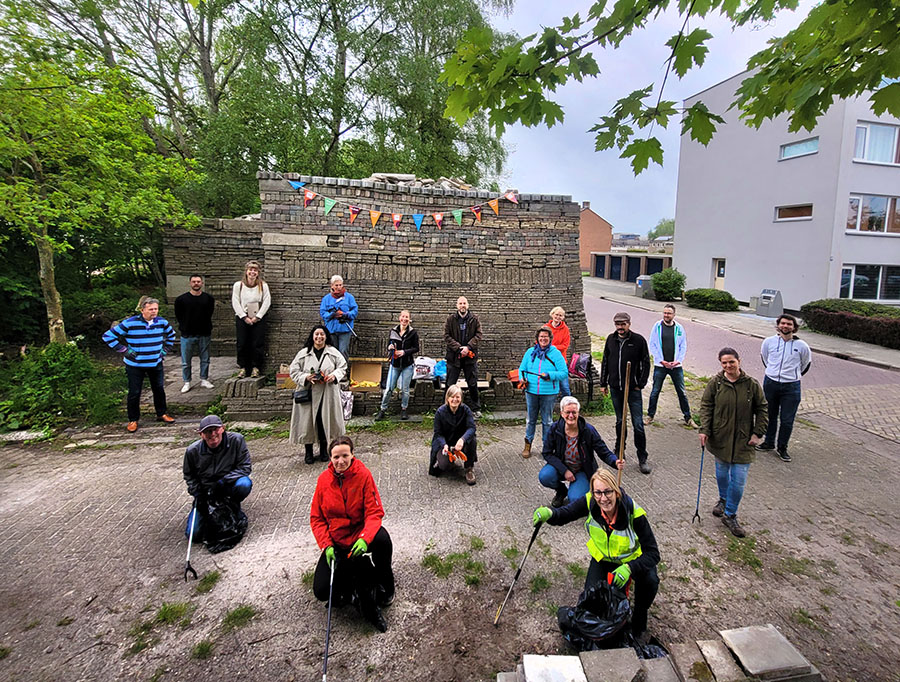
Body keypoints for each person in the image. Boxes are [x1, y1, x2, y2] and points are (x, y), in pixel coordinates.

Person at [533, 469, 660, 642]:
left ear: (616, 491)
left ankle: (640, 617)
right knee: (594, 604)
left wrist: (629, 568)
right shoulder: (590, 502)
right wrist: (550, 514)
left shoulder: (634, 513)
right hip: (604, 560)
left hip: (632, 561)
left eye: (608, 492)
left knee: (650, 581)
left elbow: (653, 553)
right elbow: (566, 514)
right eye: (598, 492)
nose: (603, 498)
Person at [310, 436, 395, 633]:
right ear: (330, 458)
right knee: (322, 590)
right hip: (337, 541)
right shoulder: (323, 481)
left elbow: (374, 512)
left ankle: (385, 583)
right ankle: (352, 591)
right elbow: (317, 518)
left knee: (382, 540)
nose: (341, 461)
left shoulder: (363, 475)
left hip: (359, 535)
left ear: (352, 455)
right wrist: (326, 546)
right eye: (336, 457)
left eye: (345, 456)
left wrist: (365, 538)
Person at [699, 347, 768, 538]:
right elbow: (706, 406)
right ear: (721, 364)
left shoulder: (751, 385)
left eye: (732, 362)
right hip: (720, 437)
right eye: (724, 363)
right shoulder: (716, 383)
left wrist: (757, 433)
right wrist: (704, 429)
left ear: (739, 361)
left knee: (738, 481)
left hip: (743, 440)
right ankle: (722, 499)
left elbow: (762, 409)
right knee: (722, 475)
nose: (728, 366)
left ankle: (730, 514)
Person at [102, 297, 176, 433]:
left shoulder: (162, 322)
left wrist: (164, 351)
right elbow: (108, 336)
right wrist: (124, 350)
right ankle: (133, 420)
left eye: (156, 309)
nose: (154, 312)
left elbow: (171, 335)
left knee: (159, 389)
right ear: (142, 310)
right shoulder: (130, 323)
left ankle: (162, 413)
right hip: (135, 364)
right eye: (151, 309)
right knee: (135, 392)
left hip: (155, 363)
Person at [540, 396, 624, 507]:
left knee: (575, 499)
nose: (571, 416)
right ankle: (561, 491)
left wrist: (615, 461)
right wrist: (564, 470)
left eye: (574, 412)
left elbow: (603, 452)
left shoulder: (588, 430)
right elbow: (547, 453)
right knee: (545, 476)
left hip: (582, 470)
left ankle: (582, 488)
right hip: (561, 467)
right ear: (561, 413)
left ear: (578, 413)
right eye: (567, 412)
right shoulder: (555, 429)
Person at [183, 415, 253, 548]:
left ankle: (233, 505)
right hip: (206, 492)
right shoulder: (192, 451)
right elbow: (189, 476)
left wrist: (222, 482)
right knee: (193, 534)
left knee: (244, 484)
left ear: (223, 429)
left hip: (228, 485)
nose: (212, 434)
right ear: (201, 434)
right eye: (207, 431)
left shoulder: (236, 440)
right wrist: (197, 492)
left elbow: (245, 468)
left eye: (215, 429)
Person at [599, 312, 652, 474]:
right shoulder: (611, 339)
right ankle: (619, 450)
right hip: (616, 388)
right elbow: (605, 361)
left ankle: (642, 457)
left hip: (633, 390)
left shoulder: (638, 340)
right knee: (620, 421)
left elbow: (646, 362)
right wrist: (603, 383)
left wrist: (640, 383)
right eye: (617, 324)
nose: (620, 328)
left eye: (623, 324)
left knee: (638, 424)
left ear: (629, 324)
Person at [289, 325, 347, 464]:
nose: (319, 337)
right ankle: (308, 452)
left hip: (327, 394)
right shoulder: (303, 353)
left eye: (322, 334)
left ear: (326, 336)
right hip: (308, 394)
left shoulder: (333, 352)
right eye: (317, 334)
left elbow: (342, 366)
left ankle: (323, 450)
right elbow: (293, 371)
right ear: (312, 337)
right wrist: (306, 377)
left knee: (323, 422)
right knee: (307, 423)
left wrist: (334, 375)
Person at [757, 314, 811, 462]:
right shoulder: (769, 342)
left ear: (794, 327)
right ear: (778, 325)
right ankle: (768, 442)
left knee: (787, 419)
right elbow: (765, 358)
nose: (785, 326)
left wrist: (792, 376)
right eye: (783, 323)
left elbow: (805, 365)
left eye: (789, 324)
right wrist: (773, 372)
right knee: (770, 415)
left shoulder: (802, 346)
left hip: (791, 386)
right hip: (771, 383)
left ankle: (782, 447)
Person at [519, 327, 568, 459]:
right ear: (537, 339)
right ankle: (527, 445)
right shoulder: (530, 352)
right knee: (530, 420)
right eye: (541, 337)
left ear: (550, 339)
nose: (543, 339)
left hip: (549, 392)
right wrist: (522, 379)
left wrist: (550, 375)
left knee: (547, 421)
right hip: (531, 391)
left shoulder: (556, 353)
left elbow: (564, 373)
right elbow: (522, 369)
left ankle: (547, 448)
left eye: (546, 337)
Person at [645, 304, 695, 428]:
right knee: (655, 391)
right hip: (660, 365)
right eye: (665, 313)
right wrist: (661, 360)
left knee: (681, 392)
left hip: (676, 366)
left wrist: (678, 360)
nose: (666, 315)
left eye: (669, 313)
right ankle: (650, 416)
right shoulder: (657, 326)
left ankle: (688, 417)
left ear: (674, 315)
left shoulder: (679, 328)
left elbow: (683, 345)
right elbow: (652, 344)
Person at [374, 310, 419, 421]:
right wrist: (390, 347)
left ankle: (404, 409)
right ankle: (383, 409)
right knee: (389, 388)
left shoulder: (413, 333)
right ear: (399, 318)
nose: (404, 319)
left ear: (409, 319)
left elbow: (416, 348)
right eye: (403, 317)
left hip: (407, 364)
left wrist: (404, 352)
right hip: (394, 364)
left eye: (407, 317)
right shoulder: (393, 331)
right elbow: (389, 343)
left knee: (405, 389)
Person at [174, 274, 216, 393]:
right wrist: (184, 327)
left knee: (205, 358)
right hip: (187, 334)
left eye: (198, 281)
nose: (196, 283)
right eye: (194, 281)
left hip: (204, 333)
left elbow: (209, 313)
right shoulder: (181, 299)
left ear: (202, 283)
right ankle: (187, 381)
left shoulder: (208, 298)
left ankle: (204, 379)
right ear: (190, 283)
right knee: (186, 361)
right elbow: (178, 315)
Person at [429, 385, 477, 485]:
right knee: (444, 466)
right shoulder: (440, 412)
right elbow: (438, 434)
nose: (455, 399)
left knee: (472, 440)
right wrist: (444, 445)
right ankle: (445, 461)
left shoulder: (466, 410)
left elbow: (472, 428)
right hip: (446, 443)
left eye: (457, 397)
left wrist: (463, 439)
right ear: (447, 398)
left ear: (461, 398)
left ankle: (469, 469)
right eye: (452, 397)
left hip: (461, 442)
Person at [443, 296, 483, 417]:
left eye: (464, 303)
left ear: (468, 305)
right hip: (454, 357)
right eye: (460, 303)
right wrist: (459, 347)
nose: (462, 305)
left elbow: (479, 335)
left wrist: (468, 347)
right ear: (457, 305)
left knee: (472, 383)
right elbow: (446, 336)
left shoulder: (474, 319)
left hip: (470, 357)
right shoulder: (450, 319)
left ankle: (476, 409)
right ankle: (446, 408)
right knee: (450, 384)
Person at [231, 260, 271, 378]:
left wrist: (258, 316)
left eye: (255, 270)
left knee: (257, 343)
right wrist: (244, 316)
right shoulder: (239, 285)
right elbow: (235, 301)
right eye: (250, 270)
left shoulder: (263, 286)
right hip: (242, 318)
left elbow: (267, 301)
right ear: (246, 271)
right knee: (242, 343)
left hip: (258, 318)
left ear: (258, 273)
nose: (252, 272)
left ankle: (256, 367)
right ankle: (243, 367)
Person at [319, 275, 358, 360]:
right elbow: (323, 312)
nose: (339, 287)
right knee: (332, 351)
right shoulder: (326, 299)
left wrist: (345, 314)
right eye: (336, 285)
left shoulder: (349, 297)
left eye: (340, 285)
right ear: (332, 285)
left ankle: (343, 372)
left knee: (343, 351)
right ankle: (333, 371)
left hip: (345, 329)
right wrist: (332, 315)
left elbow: (354, 311)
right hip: (331, 330)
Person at [545, 306, 572, 397]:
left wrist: (551, 347)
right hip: (547, 360)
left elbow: (565, 345)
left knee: (564, 387)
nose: (558, 317)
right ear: (552, 315)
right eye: (556, 314)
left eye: (560, 315)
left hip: (561, 360)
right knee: (548, 386)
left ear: (563, 317)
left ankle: (569, 407)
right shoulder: (545, 328)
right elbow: (539, 342)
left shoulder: (565, 329)